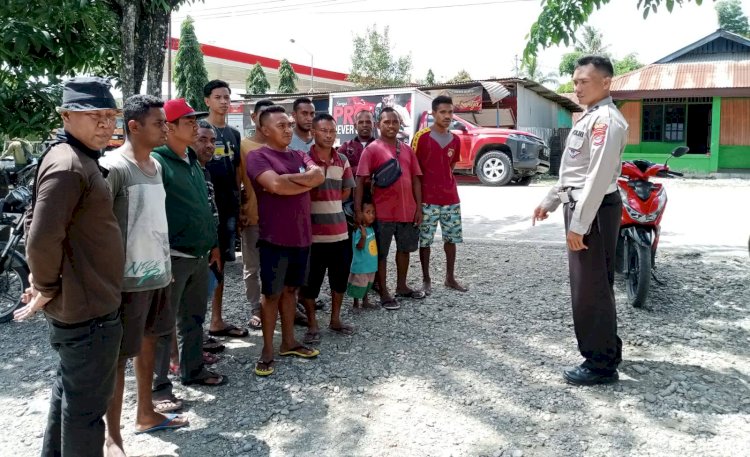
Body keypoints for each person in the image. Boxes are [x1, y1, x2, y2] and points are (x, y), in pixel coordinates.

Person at [14, 76, 125, 456]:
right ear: (65, 115)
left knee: (70, 396)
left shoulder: (78, 159)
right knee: (85, 414)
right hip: (87, 312)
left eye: (110, 115)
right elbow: (42, 236)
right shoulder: (68, 166)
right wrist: (44, 286)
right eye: (93, 115)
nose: (105, 124)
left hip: (87, 305)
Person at [532, 55, 628, 386]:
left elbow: (598, 177)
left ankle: (600, 365)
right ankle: (608, 350)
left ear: (605, 82)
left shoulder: (606, 122)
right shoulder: (589, 118)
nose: (577, 88)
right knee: (596, 284)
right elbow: (575, 171)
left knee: (590, 289)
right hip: (586, 207)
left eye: (584, 82)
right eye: (574, 82)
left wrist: (579, 225)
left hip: (594, 210)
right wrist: (551, 200)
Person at [100, 95, 187, 454]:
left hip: (158, 275)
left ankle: (146, 413)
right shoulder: (114, 167)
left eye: (166, 123)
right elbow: (98, 226)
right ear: (133, 127)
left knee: (150, 343)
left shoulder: (157, 166)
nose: (165, 129)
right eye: (158, 123)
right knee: (119, 359)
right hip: (127, 282)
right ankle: (112, 435)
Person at [152, 98, 227, 398]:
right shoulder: (158, 163)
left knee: (193, 318)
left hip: (198, 255)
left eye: (195, 120)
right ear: (168, 128)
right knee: (160, 325)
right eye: (188, 122)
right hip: (172, 257)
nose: (195, 126)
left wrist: (212, 245)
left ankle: (192, 370)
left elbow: (205, 208)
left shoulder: (192, 161)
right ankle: (158, 388)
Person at [247, 105, 325, 376]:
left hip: (302, 237)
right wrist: (301, 181)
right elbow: (275, 186)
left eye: (289, 124)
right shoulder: (257, 157)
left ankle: (288, 341)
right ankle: (267, 348)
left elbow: (319, 176)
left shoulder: (300, 154)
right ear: (264, 129)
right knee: (271, 294)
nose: (288, 129)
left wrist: (289, 179)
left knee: (291, 290)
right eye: (281, 125)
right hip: (274, 239)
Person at [354, 107, 424, 311]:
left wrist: (419, 207)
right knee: (381, 254)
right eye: (387, 122)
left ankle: (402, 286)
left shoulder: (408, 149)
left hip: (407, 210)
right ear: (379, 125)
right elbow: (360, 181)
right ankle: (384, 291)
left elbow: (416, 180)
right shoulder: (372, 149)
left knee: (405, 250)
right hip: (382, 212)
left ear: (400, 124)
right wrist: (358, 210)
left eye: (395, 122)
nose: (391, 125)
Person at [300, 113, 357, 344]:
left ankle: (335, 319)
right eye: (323, 130)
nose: (328, 135)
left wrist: (330, 199)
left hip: (340, 233)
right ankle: (312, 323)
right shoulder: (303, 159)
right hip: (312, 236)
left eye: (332, 131)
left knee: (339, 280)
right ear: (313, 132)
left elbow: (346, 191)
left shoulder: (342, 159)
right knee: (310, 283)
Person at [202, 79, 247, 338]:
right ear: (207, 100)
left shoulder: (233, 134)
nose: (224, 101)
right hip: (204, 206)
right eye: (218, 97)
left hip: (227, 206)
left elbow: (238, 170)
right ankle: (194, 328)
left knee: (222, 265)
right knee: (200, 265)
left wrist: (240, 203)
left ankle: (216, 320)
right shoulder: (200, 130)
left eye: (227, 97)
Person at [412, 95, 467, 295]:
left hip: (450, 198)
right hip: (427, 199)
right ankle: (426, 279)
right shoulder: (421, 137)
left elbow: (450, 167)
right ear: (433, 113)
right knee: (425, 241)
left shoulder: (456, 140)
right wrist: (417, 203)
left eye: (450, 112)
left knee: (451, 239)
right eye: (442, 112)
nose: (447, 116)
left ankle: (450, 277)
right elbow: (415, 171)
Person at [239, 99, 274, 331]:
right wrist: (238, 210)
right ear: (254, 119)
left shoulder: (281, 146)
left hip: (277, 219)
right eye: (262, 116)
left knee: (276, 266)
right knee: (252, 267)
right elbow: (237, 181)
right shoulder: (243, 146)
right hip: (252, 215)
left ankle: (275, 306)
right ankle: (255, 308)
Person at [347, 199, 378, 310]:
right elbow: (359, 246)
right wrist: (363, 236)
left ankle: (365, 301)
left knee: (367, 284)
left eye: (373, 212)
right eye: (368, 212)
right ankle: (356, 303)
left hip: (370, 265)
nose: (371, 215)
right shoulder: (359, 230)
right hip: (361, 266)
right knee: (358, 284)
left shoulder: (370, 228)